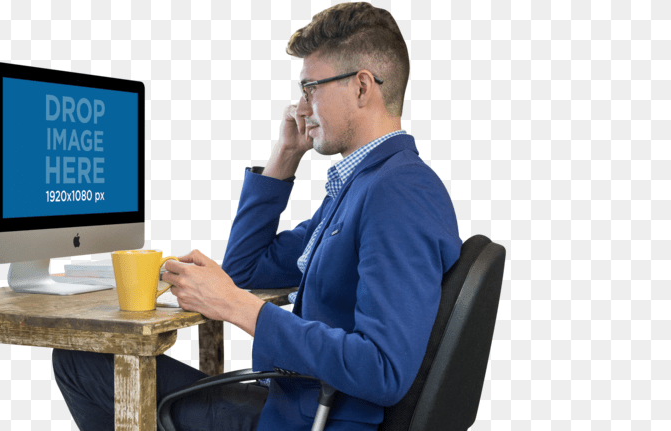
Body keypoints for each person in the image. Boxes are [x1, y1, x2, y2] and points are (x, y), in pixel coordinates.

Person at [52, 3, 461, 430]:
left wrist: (236, 307)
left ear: (361, 88)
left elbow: (383, 369)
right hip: (293, 401)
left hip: (307, 419)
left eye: (311, 88)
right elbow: (245, 270)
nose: (301, 107)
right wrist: (285, 155)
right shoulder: (361, 187)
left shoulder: (398, 193)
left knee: (80, 363)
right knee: (83, 358)